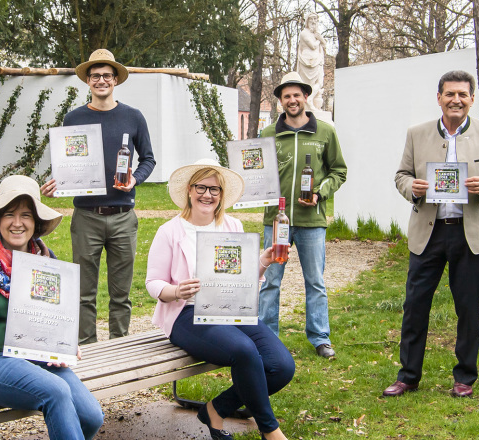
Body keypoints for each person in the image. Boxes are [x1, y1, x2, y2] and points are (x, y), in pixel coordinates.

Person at [0, 175, 104, 440]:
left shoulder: (46, 262)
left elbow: (57, 320)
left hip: (36, 355)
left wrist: (65, 344)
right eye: (9, 214)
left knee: (92, 416)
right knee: (56, 392)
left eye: (26, 215)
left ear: (35, 222)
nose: (17, 223)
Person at [384, 70, 479, 399]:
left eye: (462, 94)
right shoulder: (417, 133)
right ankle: (409, 375)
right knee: (415, 305)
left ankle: (464, 378)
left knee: (468, 308)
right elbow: (401, 175)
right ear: (439, 98)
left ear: (472, 99)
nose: (456, 99)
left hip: (472, 235)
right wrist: (410, 188)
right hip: (429, 233)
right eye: (449, 94)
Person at [145, 159, 293, 440]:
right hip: (187, 314)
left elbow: (242, 278)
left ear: (222, 195)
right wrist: (177, 291)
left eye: (215, 190)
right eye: (201, 187)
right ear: (190, 190)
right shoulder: (170, 231)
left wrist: (262, 261)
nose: (207, 195)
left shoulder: (232, 226)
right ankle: (270, 430)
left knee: (281, 366)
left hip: (231, 308)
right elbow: (153, 283)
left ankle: (215, 409)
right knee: (245, 351)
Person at [41, 49, 156, 344]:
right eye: (95, 76)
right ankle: (88, 351)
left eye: (107, 75)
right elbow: (68, 163)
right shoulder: (73, 118)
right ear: (88, 81)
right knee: (83, 293)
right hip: (86, 217)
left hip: (122, 216)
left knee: (121, 294)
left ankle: (119, 347)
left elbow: (148, 160)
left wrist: (135, 179)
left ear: (115, 79)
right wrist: (57, 183)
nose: (101, 80)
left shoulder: (134, 117)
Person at [257, 72, 348, 358]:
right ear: (281, 101)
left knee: (315, 281)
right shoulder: (268, 134)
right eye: (287, 96)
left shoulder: (325, 131)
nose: (292, 100)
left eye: (297, 95)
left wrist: (320, 192)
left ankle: (320, 338)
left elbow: (339, 171)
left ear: (306, 97)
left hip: (312, 222)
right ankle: (267, 336)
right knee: (270, 280)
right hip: (276, 220)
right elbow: (257, 173)